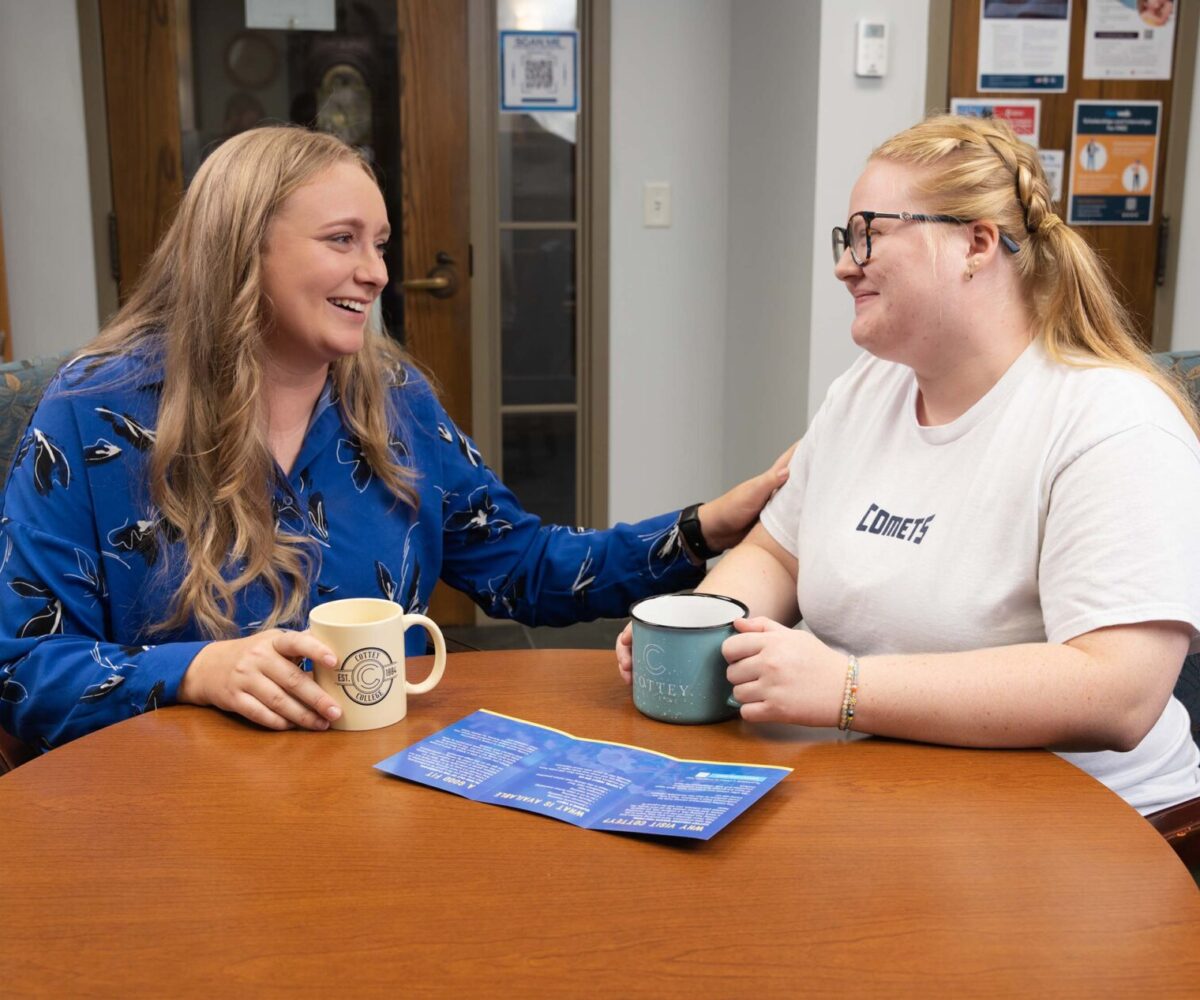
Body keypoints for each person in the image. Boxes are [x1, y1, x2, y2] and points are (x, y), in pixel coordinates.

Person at [0, 126, 788, 752]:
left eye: (379, 243)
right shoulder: (93, 411)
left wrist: (701, 528)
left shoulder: (394, 400)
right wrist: (198, 671)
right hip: (179, 818)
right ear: (242, 249)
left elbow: (523, 568)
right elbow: (23, 665)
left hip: (378, 792)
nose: (377, 272)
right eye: (342, 239)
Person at [618, 114, 1200, 815]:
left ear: (975, 244)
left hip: (1089, 823)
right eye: (846, 239)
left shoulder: (1113, 423)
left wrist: (848, 689)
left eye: (870, 233)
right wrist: (703, 628)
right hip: (893, 791)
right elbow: (778, 555)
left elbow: (1120, 691)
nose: (844, 265)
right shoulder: (868, 390)